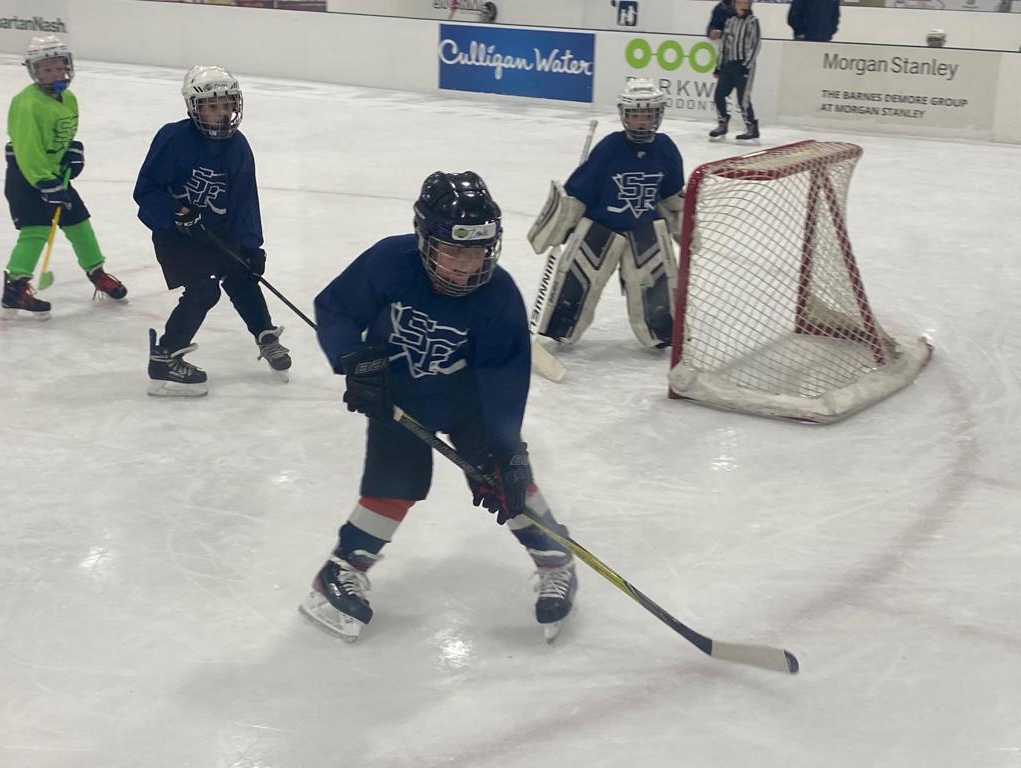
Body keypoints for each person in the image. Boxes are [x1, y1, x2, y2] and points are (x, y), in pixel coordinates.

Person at [300, 171, 577, 643]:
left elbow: (505, 381)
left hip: (470, 404)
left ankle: (555, 557)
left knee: (507, 485)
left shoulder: (498, 297)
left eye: (478, 251)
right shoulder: (390, 261)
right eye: (454, 250)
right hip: (398, 398)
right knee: (394, 484)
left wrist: (506, 452)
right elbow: (336, 309)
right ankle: (343, 568)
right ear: (425, 240)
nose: (466, 266)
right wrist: (352, 360)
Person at [133, 65, 291, 397]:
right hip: (176, 234)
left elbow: (245, 201)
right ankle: (165, 357)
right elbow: (145, 191)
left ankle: (265, 335)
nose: (223, 113)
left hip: (216, 229)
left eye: (228, 104)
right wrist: (176, 212)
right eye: (213, 106)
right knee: (205, 290)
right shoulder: (174, 138)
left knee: (243, 274)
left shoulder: (238, 147)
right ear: (195, 107)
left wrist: (251, 245)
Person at [526, 78, 685, 349]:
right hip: (601, 229)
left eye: (648, 115)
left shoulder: (666, 149)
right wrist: (563, 222)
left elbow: (672, 195)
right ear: (625, 115)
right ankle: (559, 328)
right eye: (636, 115)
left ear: (659, 115)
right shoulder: (610, 148)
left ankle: (661, 332)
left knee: (655, 294)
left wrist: (686, 227)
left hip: (645, 231)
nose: (642, 122)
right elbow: (580, 191)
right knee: (575, 285)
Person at [1, 36, 127, 318]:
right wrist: (45, 183)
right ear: (34, 72)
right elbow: (27, 149)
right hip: (27, 178)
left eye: (58, 67)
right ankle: (15, 290)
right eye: (46, 70)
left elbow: (64, 134)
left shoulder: (68, 98)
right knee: (35, 231)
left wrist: (72, 151)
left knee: (80, 224)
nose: (54, 74)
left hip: (57, 175)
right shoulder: (27, 104)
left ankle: (98, 274)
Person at [710, 0, 761, 141]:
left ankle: (751, 127)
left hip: (743, 66)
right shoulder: (730, 21)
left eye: (745, 2)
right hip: (728, 65)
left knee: (743, 99)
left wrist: (746, 65)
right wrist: (719, 66)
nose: (742, 5)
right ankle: (722, 122)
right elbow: (724, 46)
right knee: (719, 95)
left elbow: (755, 45)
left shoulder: (753, 22)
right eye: (740, 2)